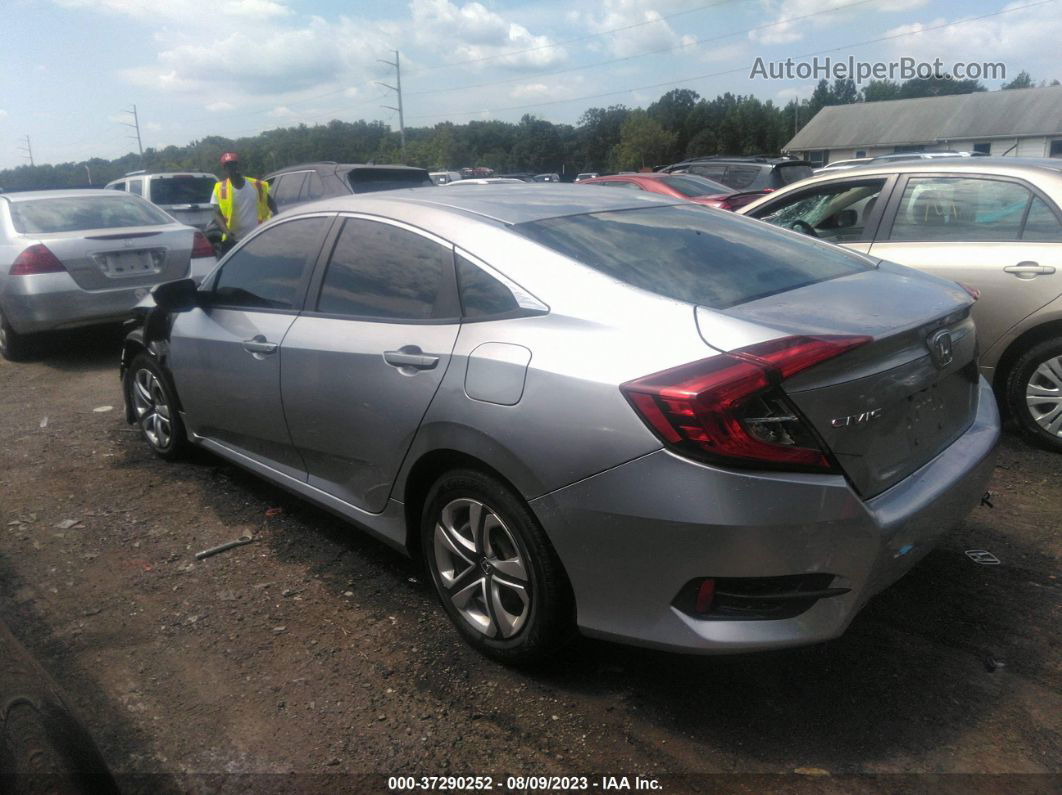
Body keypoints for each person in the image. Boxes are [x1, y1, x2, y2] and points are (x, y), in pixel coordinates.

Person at [210, 152, 277, 252]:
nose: (232, 168)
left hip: (257, 238)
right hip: (233, 241)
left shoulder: (256, 185)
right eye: (228, 166)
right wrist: (226, 231)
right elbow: (216, 214)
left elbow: (271, 204)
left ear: (239, 166)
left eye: (234, 164)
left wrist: (274, 222)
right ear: (224, 170)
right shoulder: (220, 188)